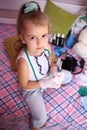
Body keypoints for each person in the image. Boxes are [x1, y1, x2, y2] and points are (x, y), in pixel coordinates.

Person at [16, 1, 72, 130]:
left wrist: (53, 69)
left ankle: (57, 81)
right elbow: (24, 85)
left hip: (46, 75)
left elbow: (50, 59)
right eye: (32, 38)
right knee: (41, 118)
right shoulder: (23, 62)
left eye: (43, 36)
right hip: (32, 88)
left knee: (67, 76)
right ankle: (35, 125)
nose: (39, 42)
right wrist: (45, 84)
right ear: (23, 38)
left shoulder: (46, 46)